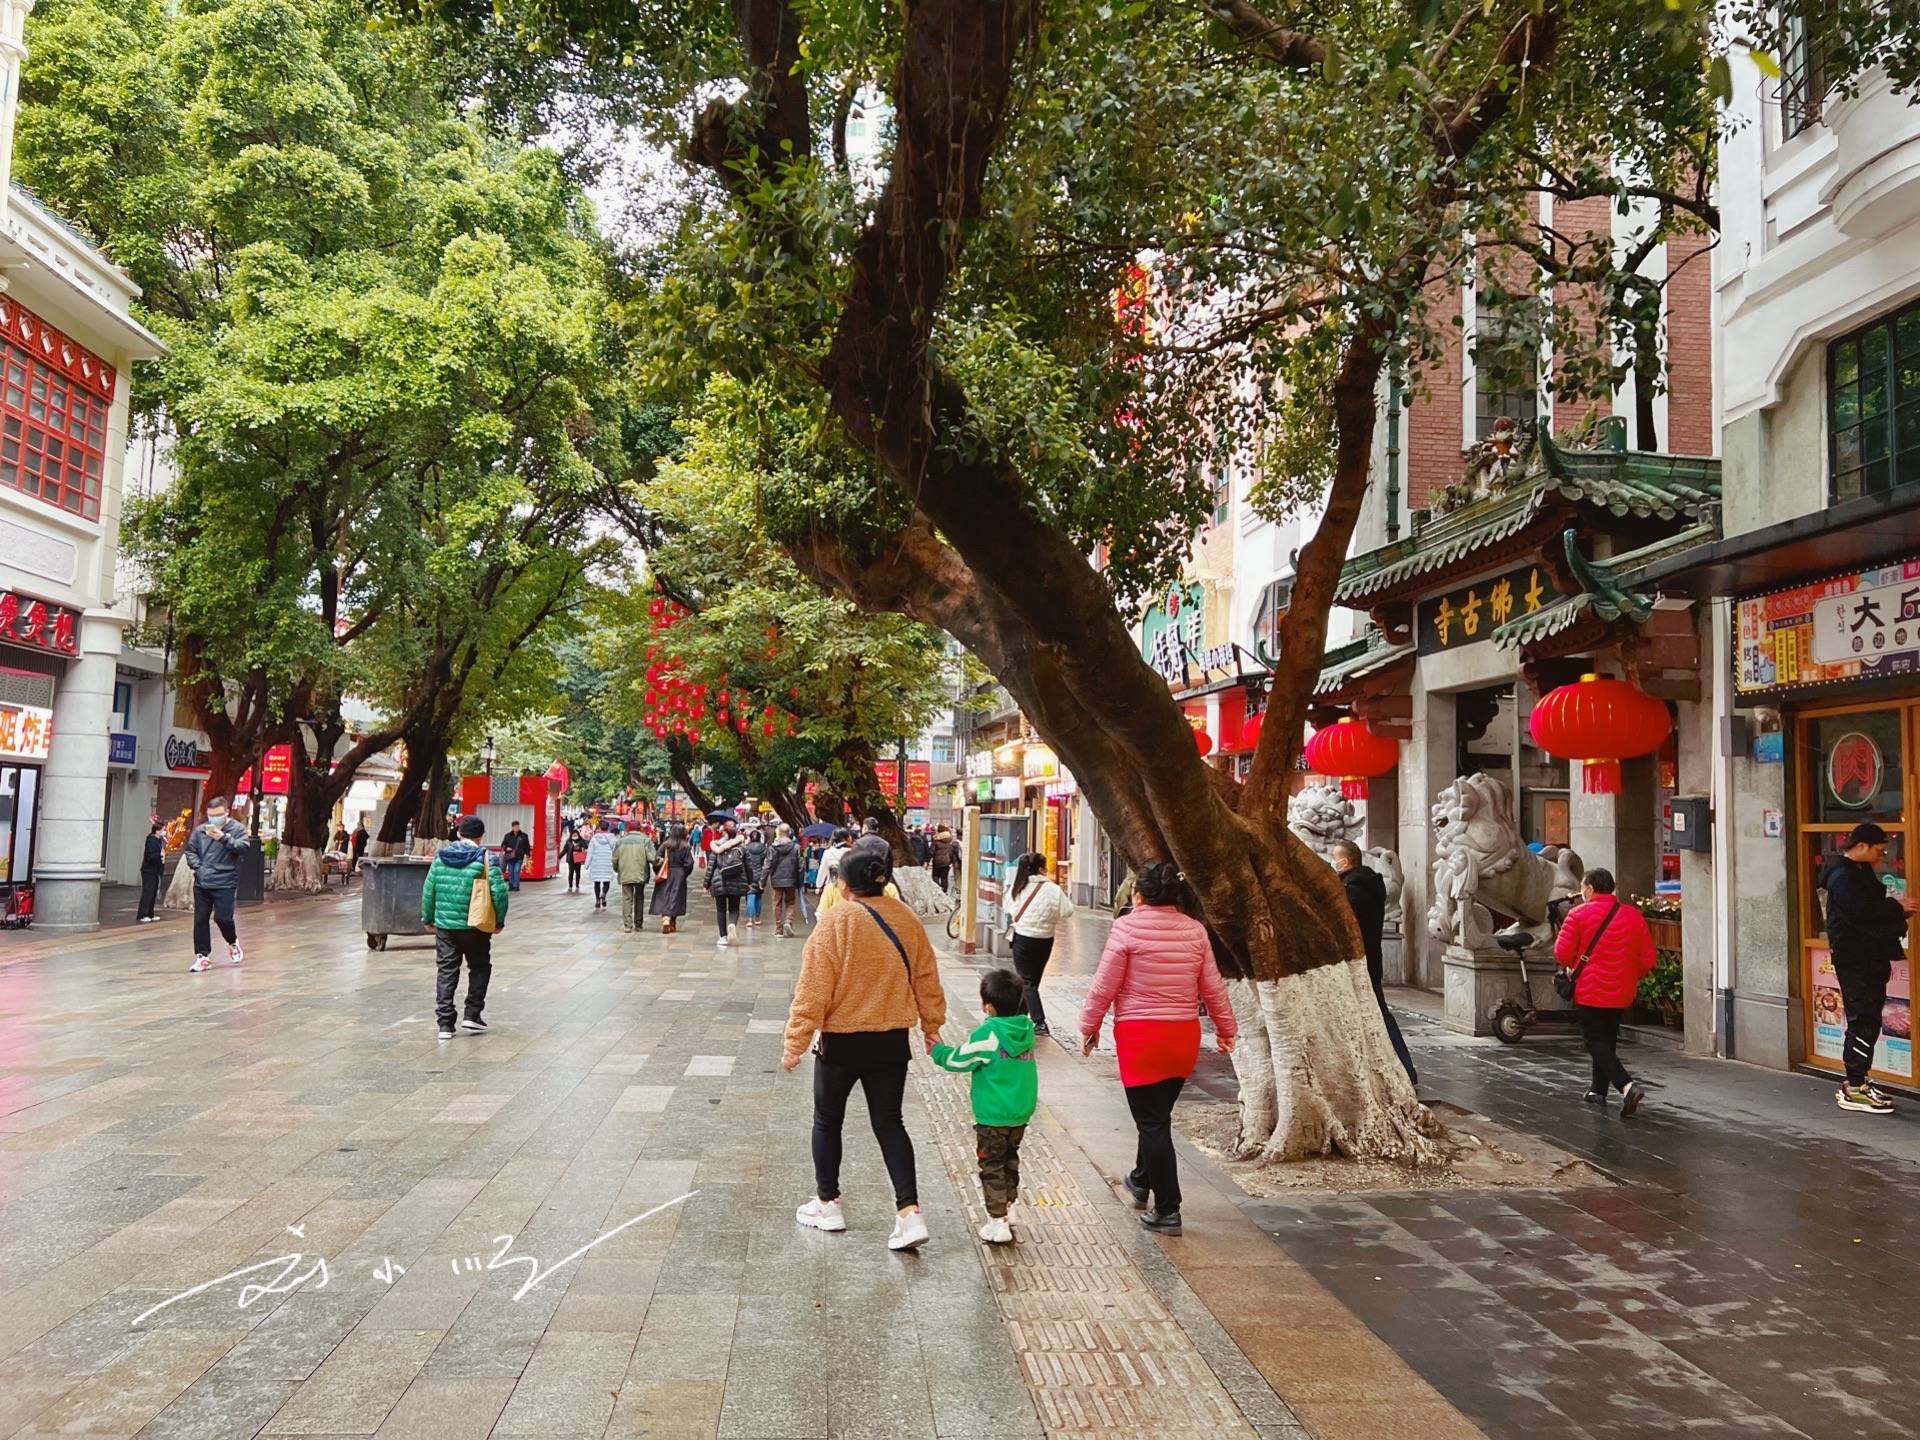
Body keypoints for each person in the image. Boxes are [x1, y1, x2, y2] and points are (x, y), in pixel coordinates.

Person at [783, 848, 947, 1250]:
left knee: (827, 1120)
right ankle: (909, 1214)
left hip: (842, 1040)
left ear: (844, 883)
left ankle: (828, 1203)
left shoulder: (837, 921)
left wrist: (795, 1042)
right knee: (890, 1122)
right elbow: (926, 976)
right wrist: (932, 1026)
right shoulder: (907, 919)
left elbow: (813, 988)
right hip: (891, 1039)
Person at [1079, 861, 1237, 1237]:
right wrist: (1227, 1029)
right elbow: (1213, 986)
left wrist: (1089, 1026)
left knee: (1152, 1123)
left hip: (1140, 1037)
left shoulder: (1126, 927)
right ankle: (1140, 1178)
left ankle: (1168, 1209)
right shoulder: (1195, 931)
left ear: (1139, 894)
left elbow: (1104, 986)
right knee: (1156, 1118)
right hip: (1182, 1037)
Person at [931, 968, 1038, 1244]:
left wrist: (938, 1051)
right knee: (1010, 1160)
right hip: (1020, 1113)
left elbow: (960, 1060)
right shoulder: (1025, 1030)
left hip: (992, 1116)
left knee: (991, 1165)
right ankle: (1010, 1207)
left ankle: (997, 1221)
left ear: (988, 1006)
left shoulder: (989, 1033)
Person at [1818, 822, 1918, 1114]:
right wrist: (1898, 908)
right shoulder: (1843, 876)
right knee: (1864, 1019)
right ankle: (1854, 1086)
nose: (1881, 857)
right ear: (1861, 846)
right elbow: (1862, 913)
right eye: (1878, 850)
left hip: (1867, 957)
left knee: (1868, 1018)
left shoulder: (1854, 873)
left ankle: (1859, 1082)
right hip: (1856, 959)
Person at [1554, 867, 1659, 1116]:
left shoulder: (1577, 914)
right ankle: (1597, 1090)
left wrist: (1574, 965)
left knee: (1594, 1040)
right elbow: (1648, 958)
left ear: (1589, 888)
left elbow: (1562, 953)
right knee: (1607, 1039)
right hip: (1622, 990)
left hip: (1590, 989)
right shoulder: (1633, 916)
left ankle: (1626, 1086)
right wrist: (1631, 976)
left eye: (1582, 887)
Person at [1331, 841, 1416, 1085]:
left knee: (1378, 1015)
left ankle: (1405, 1070)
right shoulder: (1367, 885)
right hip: (1369, 963)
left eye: (1334, 858)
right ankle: (1401, 1070)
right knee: (1377, 1015)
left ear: (1344, 862)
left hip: (1359, 965)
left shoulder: (1352, 891)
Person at [420, 815, 509, 1040]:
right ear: (481, 836)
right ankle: (472, 1014)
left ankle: (445, 1024)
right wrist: (498, 921)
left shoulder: (440, 857)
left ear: (459, 833)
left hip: (445, 925)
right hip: (475, 925)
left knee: (447, 970)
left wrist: (427, 918)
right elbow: (499, 892)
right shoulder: (487, 858)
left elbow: (429, 889)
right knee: (479, 967)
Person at [1004, 851, 1073, 1036]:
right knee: (1032, 981)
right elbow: (1067, 911)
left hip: (1023, 938)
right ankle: (1019, 1014)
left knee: (1027, 982)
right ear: (1042, 869)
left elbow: (1007, 908)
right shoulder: (1053, 889)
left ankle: (1039, 1022)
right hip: (1045, 939)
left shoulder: (1017, 887)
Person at [183, 797, 251, 973]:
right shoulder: (200, 831)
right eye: (211, 815)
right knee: (200, 919)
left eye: (218, 815)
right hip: (202, 882)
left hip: (225, 882)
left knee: (223, 918)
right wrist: (198, 867)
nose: (214, 818)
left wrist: (224, 838)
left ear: (227, 812)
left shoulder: (236, 829)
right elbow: (190, 850)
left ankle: (232, 942)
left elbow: (243, 847)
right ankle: (202, 956)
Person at [707, 821, 753, 947]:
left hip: (719, 880)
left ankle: (722, 937)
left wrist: (706, 884)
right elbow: (749, 866)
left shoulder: (716, 847)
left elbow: (711, 867)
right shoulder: (742, 848)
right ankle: (732, 923)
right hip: (737, 880)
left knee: (721, 909)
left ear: (723, 833)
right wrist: (750, 882)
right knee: (734, 907)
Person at [650, 824, 695, 934]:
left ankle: (666, 919)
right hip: (679, 873)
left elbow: (657, 860)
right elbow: (689, 863)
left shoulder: (665, 845)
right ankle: (672, 922)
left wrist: (658, 871)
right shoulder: (685, 846)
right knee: (676, 897)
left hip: (666, 872)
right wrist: (684, 873)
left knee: (664, 896)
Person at [614, 822, 657, 932]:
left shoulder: (620, 841)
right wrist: (662, 862)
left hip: (625, 872)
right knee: (639, 898)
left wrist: (617, 869)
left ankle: (627, 925)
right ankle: (638, 924)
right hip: (640, 873)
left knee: (627, 898)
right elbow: (652, 858)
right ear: (640, 829)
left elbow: (614, 859)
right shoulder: (645, 840)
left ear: (628, 828)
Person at [765, 824, 806, 937]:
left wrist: (762, 882)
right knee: (790, 901)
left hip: (776, 879)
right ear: (789, 832)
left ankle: (779, 929)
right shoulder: (796, 847)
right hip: (791, 879)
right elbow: (801, 866)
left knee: (777, 903)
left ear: (779, 832)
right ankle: (788, 921)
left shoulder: (772, 848)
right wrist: (801, 882)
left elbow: (767, 865)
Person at [137, 819, 165, 923]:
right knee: (148, 892)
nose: (164, 832)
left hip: (155, 870)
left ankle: (150, 913)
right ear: (157, 831)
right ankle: (143, 914)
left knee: (153, 892)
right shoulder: (151, 840)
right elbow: (149, 856)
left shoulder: (159, 841)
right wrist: (159, 855)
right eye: (163, 830)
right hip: (148, 871)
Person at [743, 826, 769, 928]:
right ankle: (757, 918)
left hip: (748, 875)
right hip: (760, 875)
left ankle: (750, 919)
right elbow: (766, 864)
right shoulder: (764, 848)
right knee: (758, 896)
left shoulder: (745, 848)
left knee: (750, 895)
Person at [586, 823, 617, 909]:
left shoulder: (594, 839)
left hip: (596, 863)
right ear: (608, 828)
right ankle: (603, 894)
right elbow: (615, 851)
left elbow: (590, 852)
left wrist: (587, 864)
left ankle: (597, 900)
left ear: (599, 828)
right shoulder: (612, 839)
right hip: (607, 862)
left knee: (597, 883)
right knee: (606, 881)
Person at [817, 829, 852, 894]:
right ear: (847, 838)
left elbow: (822, 870)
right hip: (847, 889)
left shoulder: (828, 852)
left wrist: (819, 885)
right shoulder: (852, 852)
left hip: (832, 887)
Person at [502, 821, 533, 892]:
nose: (517, 828)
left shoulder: (524, 836)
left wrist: (528, 854)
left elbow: (527, 846)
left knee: (516, 871)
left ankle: (516, 885)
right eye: (515, 827)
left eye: (518, 826)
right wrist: (506, 848)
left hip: (519, 856)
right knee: (510, 871)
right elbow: (503, 845)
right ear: (512, 827)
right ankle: (511, 885)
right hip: (510, 857)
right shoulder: (507, 836)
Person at [930, 826, 956, 892]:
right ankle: (944, 891)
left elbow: (931, 851)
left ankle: (937, 889)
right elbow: (951, 851)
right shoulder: (949, 840)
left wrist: (928, 859)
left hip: (937, 862)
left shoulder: (936, 840)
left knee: (935, 876)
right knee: (944, 878)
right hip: (947, 862)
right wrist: (951, 861)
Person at [565, 825, 589, 893]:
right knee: (571, 872)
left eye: (576, 834)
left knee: (578, 873)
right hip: (571, 859)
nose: (575, 836)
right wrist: (559, 857)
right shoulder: (568, 841)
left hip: (578, 859)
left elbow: (586, 846)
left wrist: (579, 845)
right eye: (574, 834)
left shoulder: (581, 840)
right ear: (571, 835)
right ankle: (570, 885)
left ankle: (577, 885)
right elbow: (565, 850)